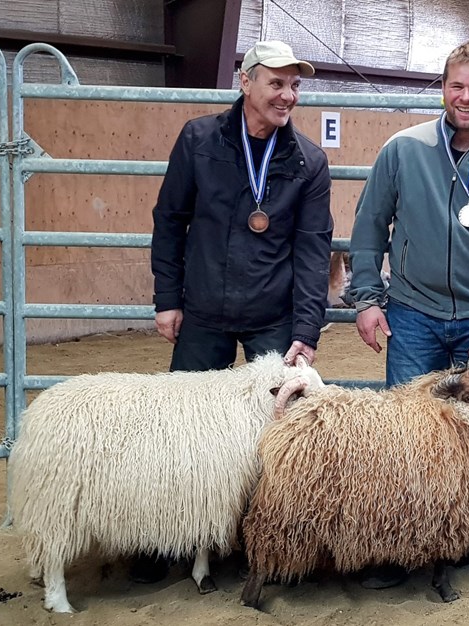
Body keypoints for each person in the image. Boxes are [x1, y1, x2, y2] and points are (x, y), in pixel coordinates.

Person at [348, 39, 469, 592]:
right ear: (443, 88)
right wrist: (367, 299)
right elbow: (369, 228)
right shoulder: (402, 150)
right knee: (408, 439)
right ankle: (402, 548)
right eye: (457, 84)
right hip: (412, 317)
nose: (466, 96)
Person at [145, 39, 333, 583]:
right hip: (202, 309)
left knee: (274, 432)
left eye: (295, 85)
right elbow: (170, 218)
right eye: (276, 82)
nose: (288, 95)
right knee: (181, 427)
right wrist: (167, 298)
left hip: (272, 315)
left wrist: (305, 329)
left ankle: (260, 541)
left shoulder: (307, 161)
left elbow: (314, 249)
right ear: (246, 82)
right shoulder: (199, 139)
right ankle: (172, 540)